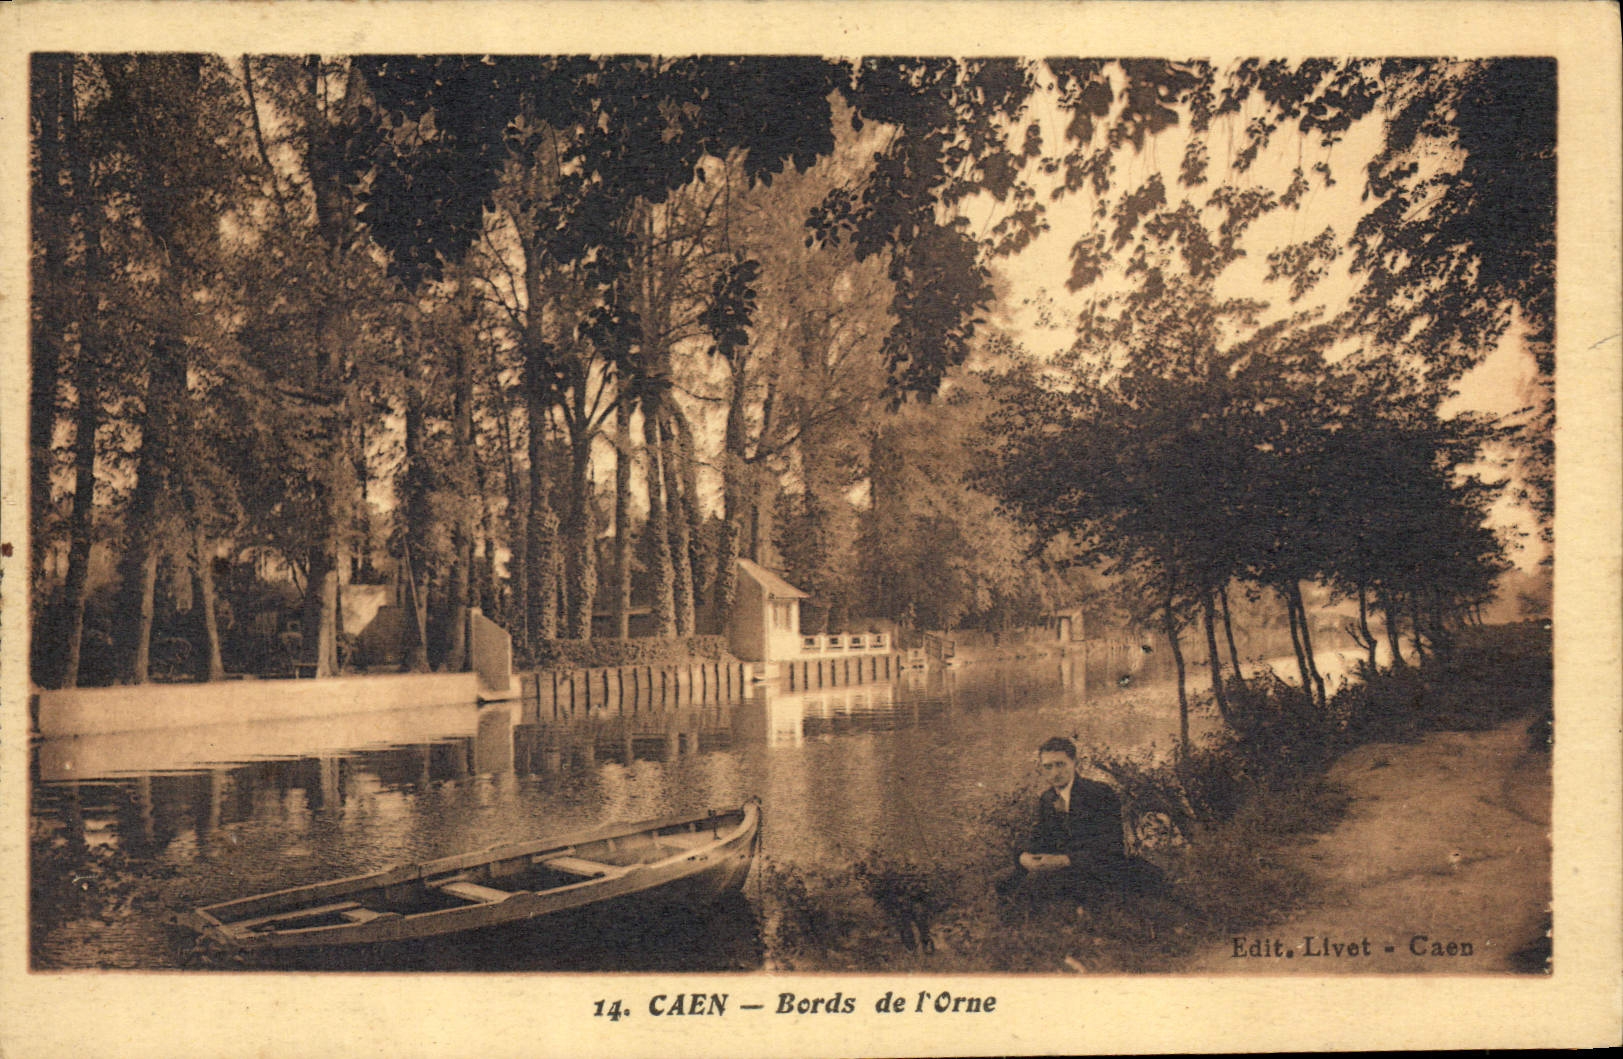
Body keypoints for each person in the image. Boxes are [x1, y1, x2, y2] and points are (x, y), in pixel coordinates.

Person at [995, 736, 1166, 911]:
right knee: (1003, 880)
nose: (1055, 772)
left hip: (1097, 868)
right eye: (1048, 767)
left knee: (1035, 887)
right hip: (1064, 867)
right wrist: (1023, 856)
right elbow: (1039, 838)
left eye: (1060, 764)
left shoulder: (1100, 793)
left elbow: (1111, 847)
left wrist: (1064, 860)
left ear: (1074, 763)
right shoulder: (1047, 798)